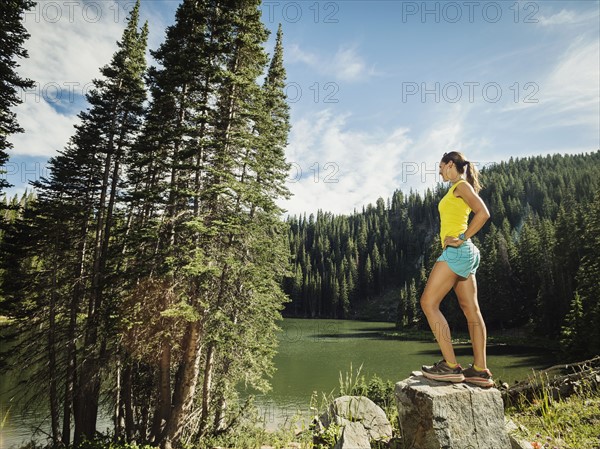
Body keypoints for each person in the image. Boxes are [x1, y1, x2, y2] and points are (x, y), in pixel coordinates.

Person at [420, 151, 493, 388]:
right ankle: (480, 370)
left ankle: (450, 367)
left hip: (458, 252)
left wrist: (462, 237)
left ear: (450, 164)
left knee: (428, 303)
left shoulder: (461, 186)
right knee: (471, 309)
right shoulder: (458, 188)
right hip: (466, 254)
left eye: (440, 166)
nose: (439, 171)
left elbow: (483, 213)